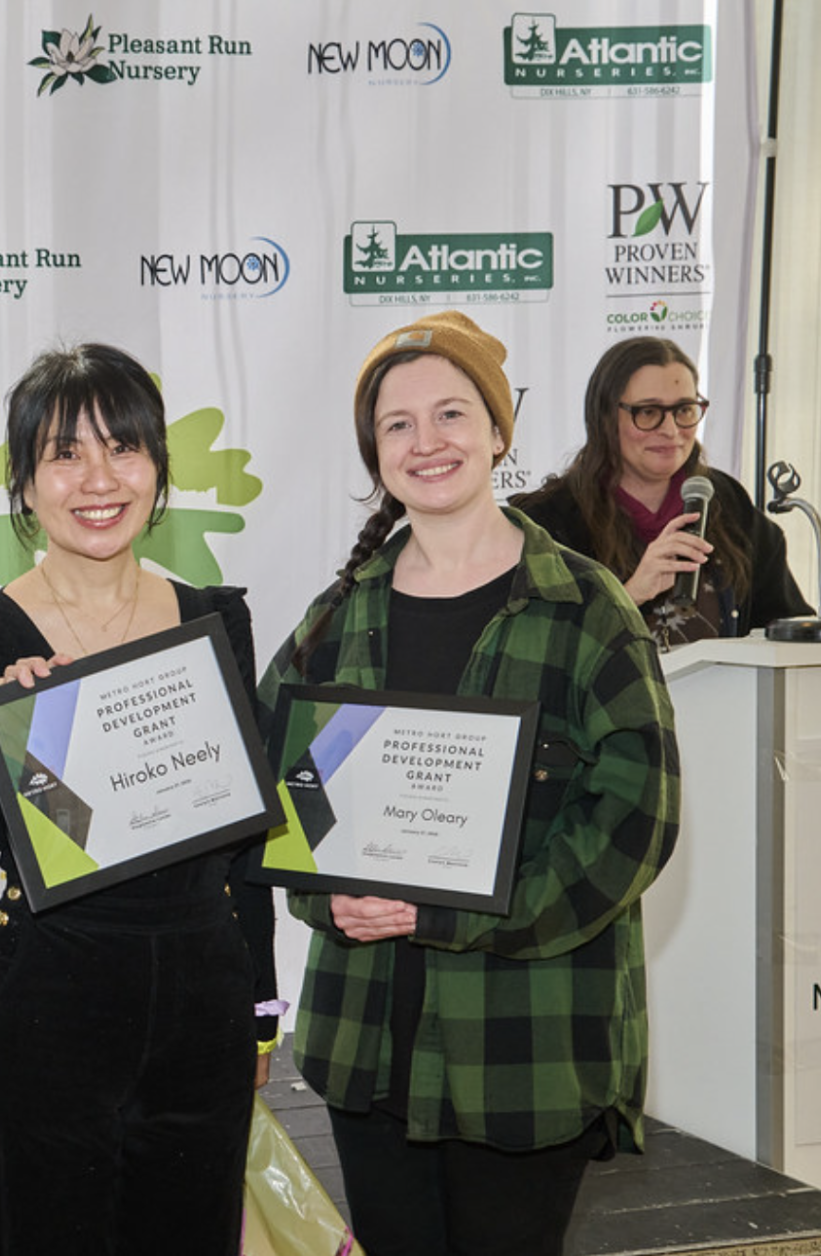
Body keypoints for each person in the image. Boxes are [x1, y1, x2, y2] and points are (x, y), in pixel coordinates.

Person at [258, 312, 679, 1255]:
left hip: (525, 1053)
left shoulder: (585, 609)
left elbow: (633, 822)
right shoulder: (338, 617)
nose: (426, 442)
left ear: (498, 430)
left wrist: (455, 914)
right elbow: (272, 785)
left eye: (451, 413)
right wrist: (330, 895)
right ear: (375, 450)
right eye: (397, 424)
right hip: (370, 1047)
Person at [0, 344, 279, 1255]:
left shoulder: (216, 620)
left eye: (123, 448)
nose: (97, 479)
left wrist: (260, 1005)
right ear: (23, 484)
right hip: (48, 1001)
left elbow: (245, 838)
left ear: (157, 468)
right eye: (64, 454)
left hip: (202, 1003)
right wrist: (7, 728)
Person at [514, 336, 811, 645]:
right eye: (648, 412)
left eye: (684, 410)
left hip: (725, 694)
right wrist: (631, 594)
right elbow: (532, 652)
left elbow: (785, 626)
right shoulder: (549, 523)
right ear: (604, 418)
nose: (670, 430)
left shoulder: (727, 501)